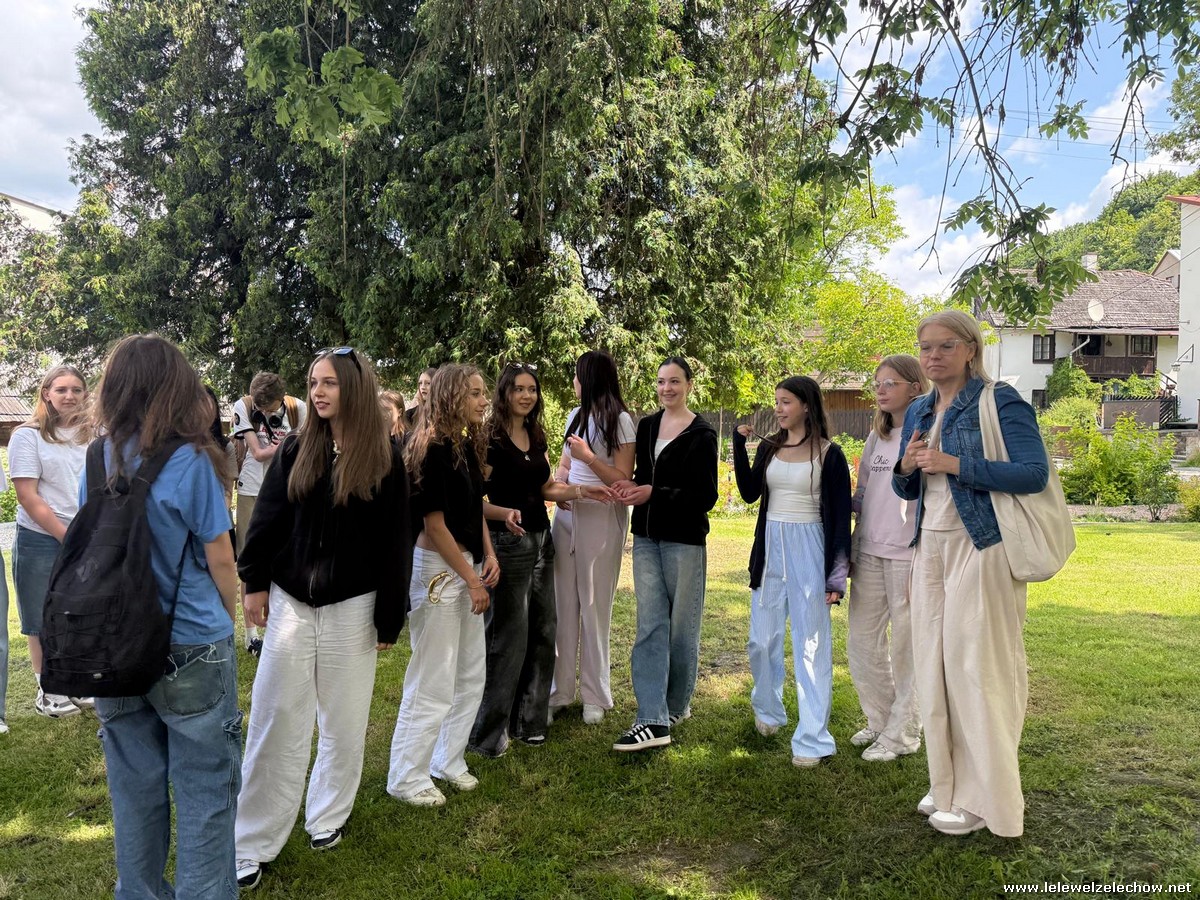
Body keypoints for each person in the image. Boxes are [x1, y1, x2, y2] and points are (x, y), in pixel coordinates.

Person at [234, 347, 409, 889]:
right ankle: (252, 841)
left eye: (328, 382)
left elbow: (396, 542)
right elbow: (267, 518)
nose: (317, 391)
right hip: (290, 603)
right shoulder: (296, 447)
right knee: (274, 719)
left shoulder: (385, 457)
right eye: (313, 382)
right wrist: (254, 581)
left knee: (343, 721)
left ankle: (327, 816)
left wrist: (389, 615)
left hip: (353, 607)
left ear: (352, 388)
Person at [86, 335, 240, 899]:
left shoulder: (97, 456)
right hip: (191, 640)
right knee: (206, 791)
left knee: (134, 791)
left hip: (114, 642)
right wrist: (229, 619)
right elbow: (220, 557)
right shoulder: (191, 459)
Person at [893, 309, 1048, 838]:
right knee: (933, 668)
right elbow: (906, 485)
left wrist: (956, 465)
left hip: (981, 546)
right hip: (929, 547)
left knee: (978, 672)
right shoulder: (919, 409)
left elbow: (1033, 473)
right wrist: (908, 467)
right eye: (925, 347)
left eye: (945, 346)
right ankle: (948, 785)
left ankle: (987, 802)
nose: (932, 356)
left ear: (970, 349)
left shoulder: (999, 401)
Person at [468, 363, 611, 758]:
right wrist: (504, 514)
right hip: (507, 545)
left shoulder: (535, 434)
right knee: (507, 639)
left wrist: (584, 492)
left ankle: (530, 722)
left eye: (532, 389)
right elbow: (473, 500)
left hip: (541, 542)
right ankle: (487, 734)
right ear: (504, 393)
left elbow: (546, 487)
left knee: (545, 631)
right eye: (518, 389)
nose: (526, 396)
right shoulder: (491, 439)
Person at [389, 364, 498, 806]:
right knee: (433, 676)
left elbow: (474, 508)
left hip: (466, 563)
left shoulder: (464, 444)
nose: (484, 400)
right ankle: (405, 775)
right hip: (438, 568)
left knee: (471, 670)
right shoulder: (431, 447)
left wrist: (488, 555)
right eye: (475, 393)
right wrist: (472, 580)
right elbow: (434, 526)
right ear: (452, 396)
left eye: (483, 393)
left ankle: (447, 759)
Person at [732, 375, 852, 767]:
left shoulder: (830, 454)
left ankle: (812, 738)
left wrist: (836, 576)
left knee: (811, 644)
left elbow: (840, 520)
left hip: (810, 548)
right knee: (761, 639)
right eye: (777, 401)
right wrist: (738, 446)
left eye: (786, 402)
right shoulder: (770, 447)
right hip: (770, 549)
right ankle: (768, 710)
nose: (779, 408)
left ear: (806, 406)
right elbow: (750, 492)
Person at [611, 357, 718, 752]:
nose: (666, 388)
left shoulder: (702, 434)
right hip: (646, 538)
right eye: (660, 382)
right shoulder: (647, 426)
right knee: (650, 626)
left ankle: (675, 706)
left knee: (681, 628)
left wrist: (654, 493)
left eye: (674, 381)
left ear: (689, 385)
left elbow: (705, 497)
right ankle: (652, 716)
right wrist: (630, 489)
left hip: (684, 541)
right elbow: (642, 478)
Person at [847, 355, 928, 762]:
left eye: (890, 383)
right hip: (869, 550)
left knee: (907, 649)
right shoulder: (877, 436)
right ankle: (880, 720)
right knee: (862, 644)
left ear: (915, 387)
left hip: (908, 554)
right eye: (877, 383)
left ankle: (903, 734)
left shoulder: (926, 434)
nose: (880, 389)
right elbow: (863, 493)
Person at [549, 350, 635, 726]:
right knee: (563, 605)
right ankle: (559, 692)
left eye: (577, 375)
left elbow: (623, 479)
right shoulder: (576, 414)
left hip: (602, 517)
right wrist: (562, 484)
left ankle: (595, 695)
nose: (573, 381)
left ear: (590, 378)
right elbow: (565, 462)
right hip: (567, 516)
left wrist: (588, 457)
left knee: (595, 607)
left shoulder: (622, 421)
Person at [9, 364, 92, 718]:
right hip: (40, 537)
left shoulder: (94, 435)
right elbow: (28, 496)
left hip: (86, 536)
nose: (69, 396)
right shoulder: (27, 436)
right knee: (41, 615)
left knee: (80, 611)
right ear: (46, 393)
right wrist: (67, 536)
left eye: (76, 389)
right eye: (61, 389)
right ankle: (48, 690)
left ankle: (76, 680)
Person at [230, 372, 307, 655]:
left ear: (281, 398)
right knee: (249, 560)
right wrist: (288, 446)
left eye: (270, 410)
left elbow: (305, 450)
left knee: (284, 557)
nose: (264, 414)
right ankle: (251, 635)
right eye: (260, 409)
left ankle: (280, 628)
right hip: (252, 488)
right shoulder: (243, 406)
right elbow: (258, 454)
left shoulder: (299, 409)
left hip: (288, 491)